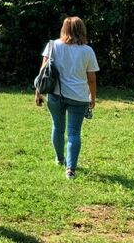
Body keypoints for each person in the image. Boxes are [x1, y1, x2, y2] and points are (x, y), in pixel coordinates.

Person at [35, 16, 99, 179]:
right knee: (74, 132)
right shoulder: (87, 51)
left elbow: (43, 72)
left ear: (64, 29)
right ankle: (70, 169)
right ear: (82, 30)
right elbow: (91, 78)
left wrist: (38, 92)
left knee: (57, 127)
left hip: (56, 94)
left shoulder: (52, 46)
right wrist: (93, 97)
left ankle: (60, 158)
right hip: (79, 97)